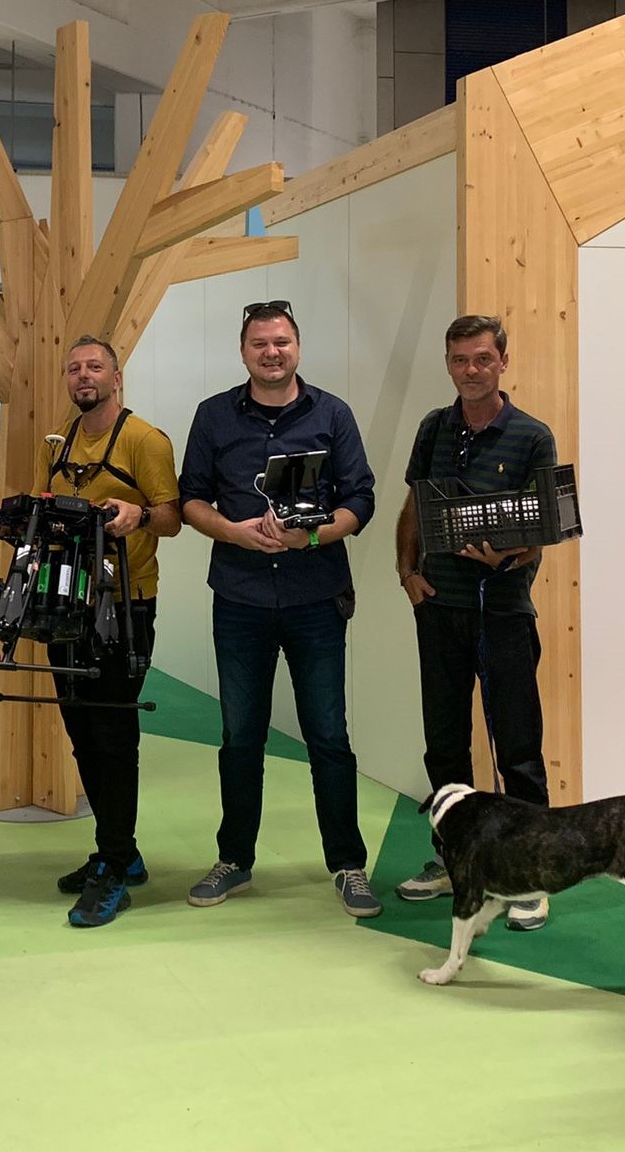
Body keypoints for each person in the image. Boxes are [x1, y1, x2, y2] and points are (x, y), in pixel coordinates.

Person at [177, 300, 381, 918]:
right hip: (239, 598)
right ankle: (234, 859)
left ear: (297, 347)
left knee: (329, 735)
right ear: (244, 352)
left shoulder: (332, 414)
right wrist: (234, 532)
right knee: (240, 736)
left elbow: (361, 500)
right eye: (260, 343)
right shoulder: (213, 416)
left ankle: (347, 863)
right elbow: (191, 500)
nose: (272, 352)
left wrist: (312, 537)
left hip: (315, 597)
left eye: (282, 342)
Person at [392, 315, 559, 931]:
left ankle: (531, 872)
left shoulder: (533, 436)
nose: (471, 370)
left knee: (517, 747)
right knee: (444, 742)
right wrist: (407, 572)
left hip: (504, 611)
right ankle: (453, 859)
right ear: (448, 364)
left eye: (483, 359)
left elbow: (544, 530)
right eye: (460, 359)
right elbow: (415, 504)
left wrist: (510, 555)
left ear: (502, 362)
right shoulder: (433, 428)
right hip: (439, 608)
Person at [38, 335, 182, 927]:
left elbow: (172, 518)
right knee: (81, 732)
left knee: (114, 736)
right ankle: (116, 850)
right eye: (74, 368)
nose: (83, 376)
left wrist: (138, 515)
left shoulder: (145, 440)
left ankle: (115, 865)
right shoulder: (60, 440)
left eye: (94, 366)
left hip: (125, 606)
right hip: (66, 603)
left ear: (116, 377)